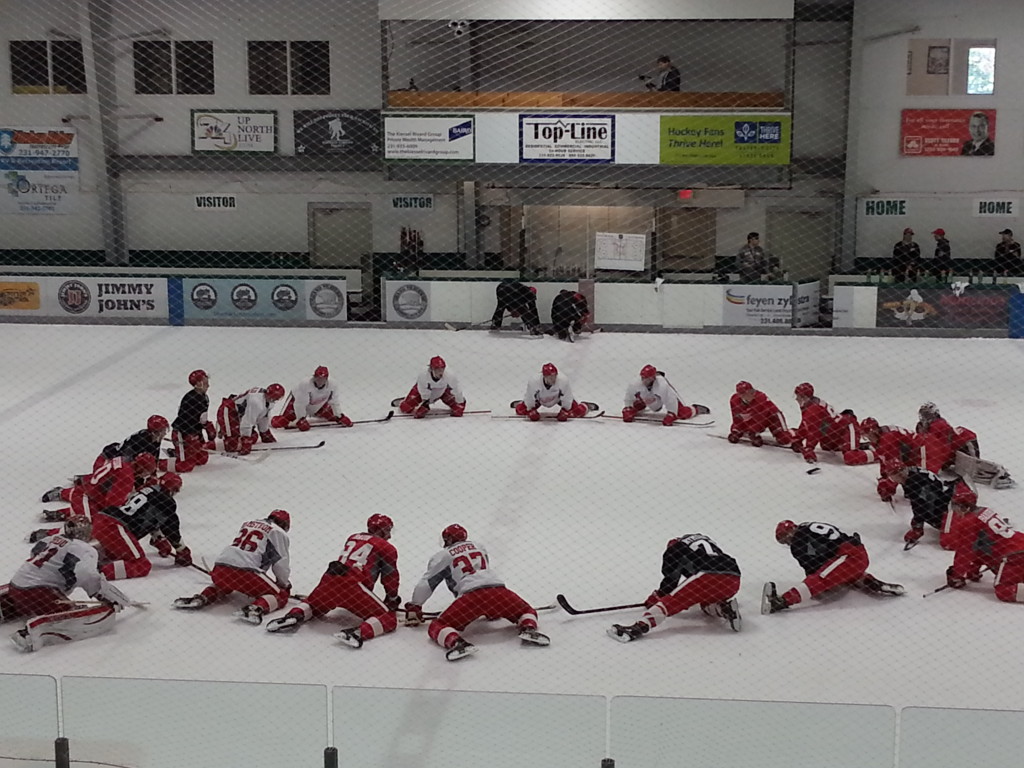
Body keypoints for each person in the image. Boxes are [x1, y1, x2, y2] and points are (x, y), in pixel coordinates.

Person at [403, 524, 549, 662]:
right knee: (526, 610)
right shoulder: (479, 547)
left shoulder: (443, 555)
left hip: (471, 597)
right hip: (499, 590)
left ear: (447, 540)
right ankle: (529, 628)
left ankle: (456, 643)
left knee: (438, 625)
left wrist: (415, 606)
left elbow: (427, 583)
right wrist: (492, 610)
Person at [265, 514, 399, 647]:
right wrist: (392, 598)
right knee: (388, 618)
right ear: (382, 530)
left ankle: (293, 616)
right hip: (353, 587)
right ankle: (358, 633)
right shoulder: (387, 547)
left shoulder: (353, 537)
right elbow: (390, 576)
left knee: (312, 604)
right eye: (388, 530)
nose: (389, 535)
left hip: (329, 579)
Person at [6, 516, 134, 652]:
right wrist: (104, 595)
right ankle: (27, 635)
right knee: (70, 613)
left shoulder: (48, 539)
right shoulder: (85, 549)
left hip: (15, 586)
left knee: (33, 601)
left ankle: (12, 607)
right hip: (39, 592)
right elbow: (87, 574)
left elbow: (34, 553)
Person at [607, 533, 741, 643]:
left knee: (670, 602)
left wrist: (656, 599)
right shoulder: (704, 543)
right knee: (705, 601)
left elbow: (671, 581)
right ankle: (722, 608)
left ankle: (638, 627)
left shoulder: (674, 548)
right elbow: (693, 578)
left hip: (707, 575)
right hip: (734, 578)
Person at [174, 510, 292, 625]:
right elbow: (281, 563)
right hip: (247, 572)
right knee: (281, 595)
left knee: (225, 585)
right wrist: (284, 584)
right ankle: (255, 608)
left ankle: (202, 597)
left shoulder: (249, 523)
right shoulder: (278, 532)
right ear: (285, 525)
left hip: (220, 567)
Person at [761, 520, 904, 614]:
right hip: (857, 553)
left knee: (821, 579)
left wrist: (808, 586)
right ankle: (872, 582)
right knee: (842, 575)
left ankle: (783, 601)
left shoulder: (798, 541)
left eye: (785, 539)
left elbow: (813, 572)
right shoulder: (807, 526)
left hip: (848, 556)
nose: (787, 543)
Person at [92, 472, 190, 580]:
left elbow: (148, 517)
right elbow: (171, 527)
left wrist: (159, 540)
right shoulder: (166, 501)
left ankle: (83, 559)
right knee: (142, 565)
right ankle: (96, 573)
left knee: (113, 554)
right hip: (116, 526)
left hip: (103, 520)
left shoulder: (146, 490)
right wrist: (182, 550)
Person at [944, 485, 1024, 602]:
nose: (955, 511)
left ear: (964, 506)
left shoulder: (968, 522)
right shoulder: (984, 511)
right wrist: (972, 570)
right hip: (1018, 546)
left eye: (956, 506)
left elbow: (965, 551)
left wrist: (957, 575)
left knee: (1003, 590)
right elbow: (982, 547)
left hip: (1013, 556)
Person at [41, 453, 158, 522]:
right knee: (90, 527)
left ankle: (62, 498)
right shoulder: (127, 477)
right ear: (141, 468)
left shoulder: (123, 460)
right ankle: (48, 533)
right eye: (146, 472)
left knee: (93, 504)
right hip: (88, 495)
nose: (145, 475)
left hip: (90, 488)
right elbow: (111, 505)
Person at [886, 466, 964, 550]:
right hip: (951, 492)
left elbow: (921, 507)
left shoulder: (913, 483)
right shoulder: (913, 471)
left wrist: (917, 527)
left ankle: (961, 525)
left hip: (951, 504)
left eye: (894, 475)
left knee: (949, 543)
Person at [845, 418, 916, 501]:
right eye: (865, 436)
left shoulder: (887, 441)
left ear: (874, 431)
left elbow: (896, 468)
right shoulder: (883, 435)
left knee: (914, 492)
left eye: (868, 435)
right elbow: (885, 460)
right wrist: (884, 477)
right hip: (915, 453)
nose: (868, 438)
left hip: (918, 457)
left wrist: (887, 488)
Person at [790, 383, 859, 464]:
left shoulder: (813, 409)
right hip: (833, 432)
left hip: (847, 427)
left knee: (851, 457)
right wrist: (798, 439)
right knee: (826, 447)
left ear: (804, 397)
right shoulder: (810, 404)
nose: (796, 399)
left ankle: (876, 454)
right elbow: (806, 424)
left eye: (798, 396)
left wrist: (809, 448)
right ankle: (851, 444)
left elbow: (814, 430)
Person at [271, 366, 352, 431]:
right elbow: (300, 404)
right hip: (296, 404)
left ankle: (317, 414)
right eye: (318, 378)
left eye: (322, 379)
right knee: (280, 423)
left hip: (320, 405)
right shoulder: (305, 384)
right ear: (314, 377)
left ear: (326, 379)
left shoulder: (333, 385)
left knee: (334, 418)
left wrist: (340, 416)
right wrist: (301, 419)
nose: (320, 381)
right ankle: (271, 420)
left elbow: (334, 401)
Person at [622, 365, 709, 425]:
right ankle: (639, 408)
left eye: (646, 378)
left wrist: (672, 414)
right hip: (647, 398)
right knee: (635, 406)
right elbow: (629, 397)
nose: (644, 380)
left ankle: (696, 409)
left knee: (682, 413)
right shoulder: (635, 383)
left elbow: (670, 400)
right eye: (642, 377)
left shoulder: (662, 385)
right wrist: (627, 408)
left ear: (653, 378)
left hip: (660, 398)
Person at [217, 383, 285, 455]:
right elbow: (247, 422)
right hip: (229, 411)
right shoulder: (256, 402)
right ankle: (213, 442)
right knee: (232, 446)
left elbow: (263, 417)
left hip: (239, 415)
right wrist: (246, 440)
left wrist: (265, 433)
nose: (276, 400)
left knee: (253, 437)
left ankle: (230, 431)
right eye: (276, 398)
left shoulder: (268, 401)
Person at [169, 369, 216, 473]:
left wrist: (207, 427)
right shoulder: (190, 399)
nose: (208, 385)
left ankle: (182, 452)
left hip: (194, 432)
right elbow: (184, 420)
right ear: (198, 384)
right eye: (205, 381)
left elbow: (200, 418)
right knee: (185, 466)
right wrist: (191, 437)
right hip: (182, 432)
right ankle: (161, 463)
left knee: (201, 460)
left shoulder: (204, 397)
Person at [397, 356, 466, 418]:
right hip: (422, 392)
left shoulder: (450, 375)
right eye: (437, 369)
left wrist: (460, 403)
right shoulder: (423, 375)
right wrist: (425, 403)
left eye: (442, 369)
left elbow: (457, 389)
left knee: (457, 408)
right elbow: (422, 390)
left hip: (443, 391)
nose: (440, 372)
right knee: (405, 408)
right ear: (431, 369)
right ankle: (403, 400)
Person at [516, 363, 588, 422]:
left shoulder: (563, 380)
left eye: (555, 376)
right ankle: (521, 402)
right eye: (550, 377)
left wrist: (565, 410)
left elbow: (567, 397)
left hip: (558, 399)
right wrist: (531, 410)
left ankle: (586, 406)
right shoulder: (534, 381)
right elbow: (530, 397)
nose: (553, 379)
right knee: (520, 411)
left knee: (579, 412)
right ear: (544, 376)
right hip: (539, 399)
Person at [727, 381, 790, 446]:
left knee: (784, 439)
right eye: (748, 393)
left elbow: (760, 418)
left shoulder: (761, 398)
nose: (752, 394)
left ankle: (793, 432)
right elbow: (736, 417)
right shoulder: (734, 400)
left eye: (752, 391)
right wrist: (736, 430)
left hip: (772, 416)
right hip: (754, 417)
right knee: (737, 433)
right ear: (740, 395)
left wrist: (754, 432)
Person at [96, 415, 170, 469]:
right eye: (163, 430)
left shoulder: (154, 438)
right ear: (155, 432)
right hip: (105, 462)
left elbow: (154, 461)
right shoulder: (142, 442)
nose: (165, 433)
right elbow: (128, 464)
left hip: (117, 458)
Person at [914, 401, 954, 474]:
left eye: (927, 415)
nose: (924, 417)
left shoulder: (938, 425)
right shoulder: (935, 423)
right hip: (940, 453)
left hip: (940, 456)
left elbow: (931, 444)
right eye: (924, 414)